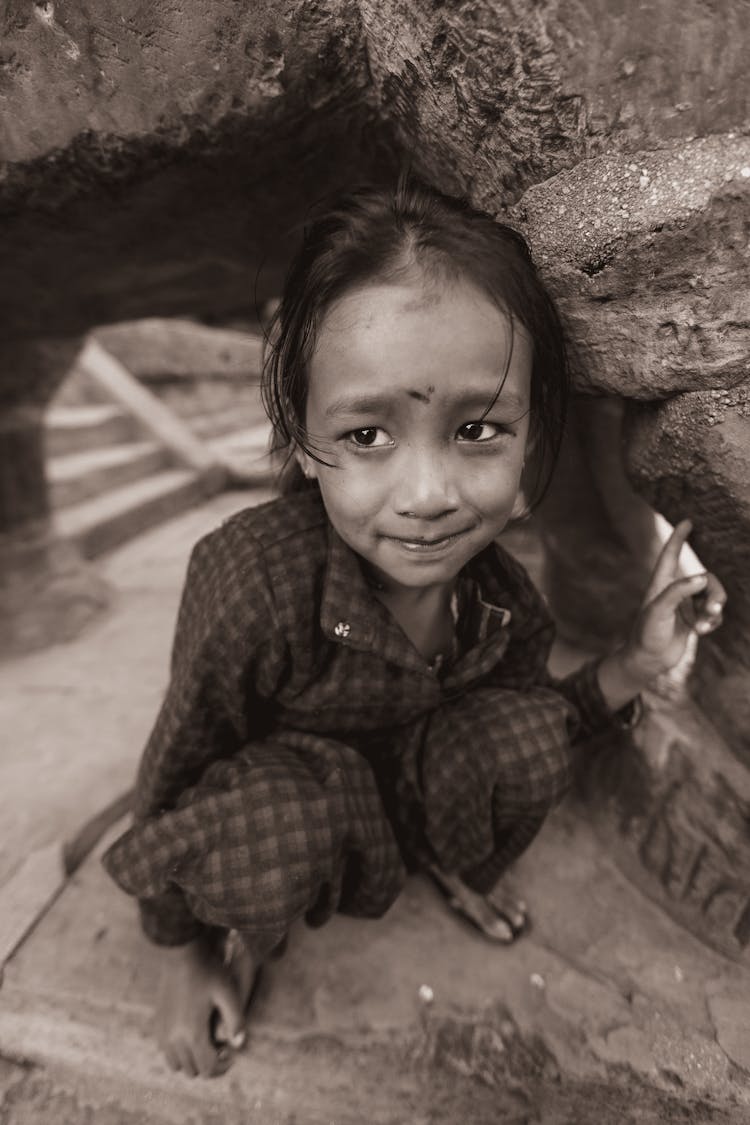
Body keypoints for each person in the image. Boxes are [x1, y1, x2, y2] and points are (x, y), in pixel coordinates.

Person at [103, 179, 726, 1078]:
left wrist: (637, 658)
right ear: (301, 436)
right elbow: (176, 766)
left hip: (405, 798)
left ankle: (447, 864)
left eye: (477, 427)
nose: (430, 495)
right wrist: (180, 947)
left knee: (520, 736)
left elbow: (543, 713)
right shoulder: (253, 580)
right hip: (306, 808)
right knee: (281, 822)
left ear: (527, 450)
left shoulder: (502, 595)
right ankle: (238, 936)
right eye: (367, 435)